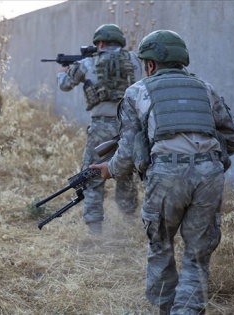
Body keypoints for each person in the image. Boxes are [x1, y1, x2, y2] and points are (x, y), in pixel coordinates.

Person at [89, 30, 234, 314]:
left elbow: (126, 151)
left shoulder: (137, 91)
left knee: (161, 247)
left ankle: (164, 308)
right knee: (197, 257)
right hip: (209, 176)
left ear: (150, 64)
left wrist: (109, 170)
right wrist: (206, 159)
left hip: (165, 176)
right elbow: (232, 139)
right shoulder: (205, 89)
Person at [57, 24, 143, 234]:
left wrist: (63, 71)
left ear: (100, 43)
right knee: (125, 171)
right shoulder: (134, 60)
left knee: (92, 174)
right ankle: (129, 223)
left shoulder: (86, 63)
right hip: (129, 125)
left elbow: (65, 85)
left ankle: (95, 228)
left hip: (100, 127)